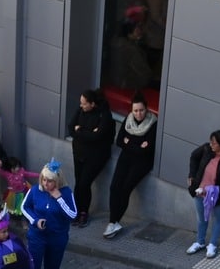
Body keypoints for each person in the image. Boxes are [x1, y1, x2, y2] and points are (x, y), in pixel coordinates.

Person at [22, 163, 79, 269]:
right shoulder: (35, 190)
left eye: (50, 181)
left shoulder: (66, 193)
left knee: (53, 265)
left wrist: (59, 198)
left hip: (57, 237)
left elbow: (72, 215)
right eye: (44, 179)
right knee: (33, 266)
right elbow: (24, 207)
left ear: (57, 180)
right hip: (37, 236)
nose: (46, 184)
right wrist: (35, 220)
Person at [103, 99, 158, 238]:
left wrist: (129, 142)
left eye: (141, 110)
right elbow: (119, 141)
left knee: (125, 189)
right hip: (126, 158)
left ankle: (114, 222)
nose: (138, 114)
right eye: (135, 111)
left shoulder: (153, 123)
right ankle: (112, 222)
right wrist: (138, 144)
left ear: (146, 110)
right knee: (114, 187)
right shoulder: (128, 120)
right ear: (131, 111)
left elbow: (147, 149)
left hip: (142, 162)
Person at [184, 131, 220, 260]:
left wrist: (213, 190)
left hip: (219, 196)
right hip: (200, 192)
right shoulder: (206, 149)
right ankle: (200, 242)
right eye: (211, 141)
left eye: (214, 143)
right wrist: (192, 175)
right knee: (201, 218)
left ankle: (212, 244)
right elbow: (193, 157)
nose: (211, 144)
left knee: (217, 219)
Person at [67, 90, 114, 226]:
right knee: (78, 183)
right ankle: (76, 210)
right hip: (79, 153)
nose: (81, 106)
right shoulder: (80, 110)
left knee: (84, 183)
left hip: (95, 156)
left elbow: (97, 137)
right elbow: (71, 128)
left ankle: (84, 212)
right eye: (81, 103)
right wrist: (87, 132)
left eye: (84, 103)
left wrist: (80, 130)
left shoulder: (104, 115)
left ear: (92, 104)